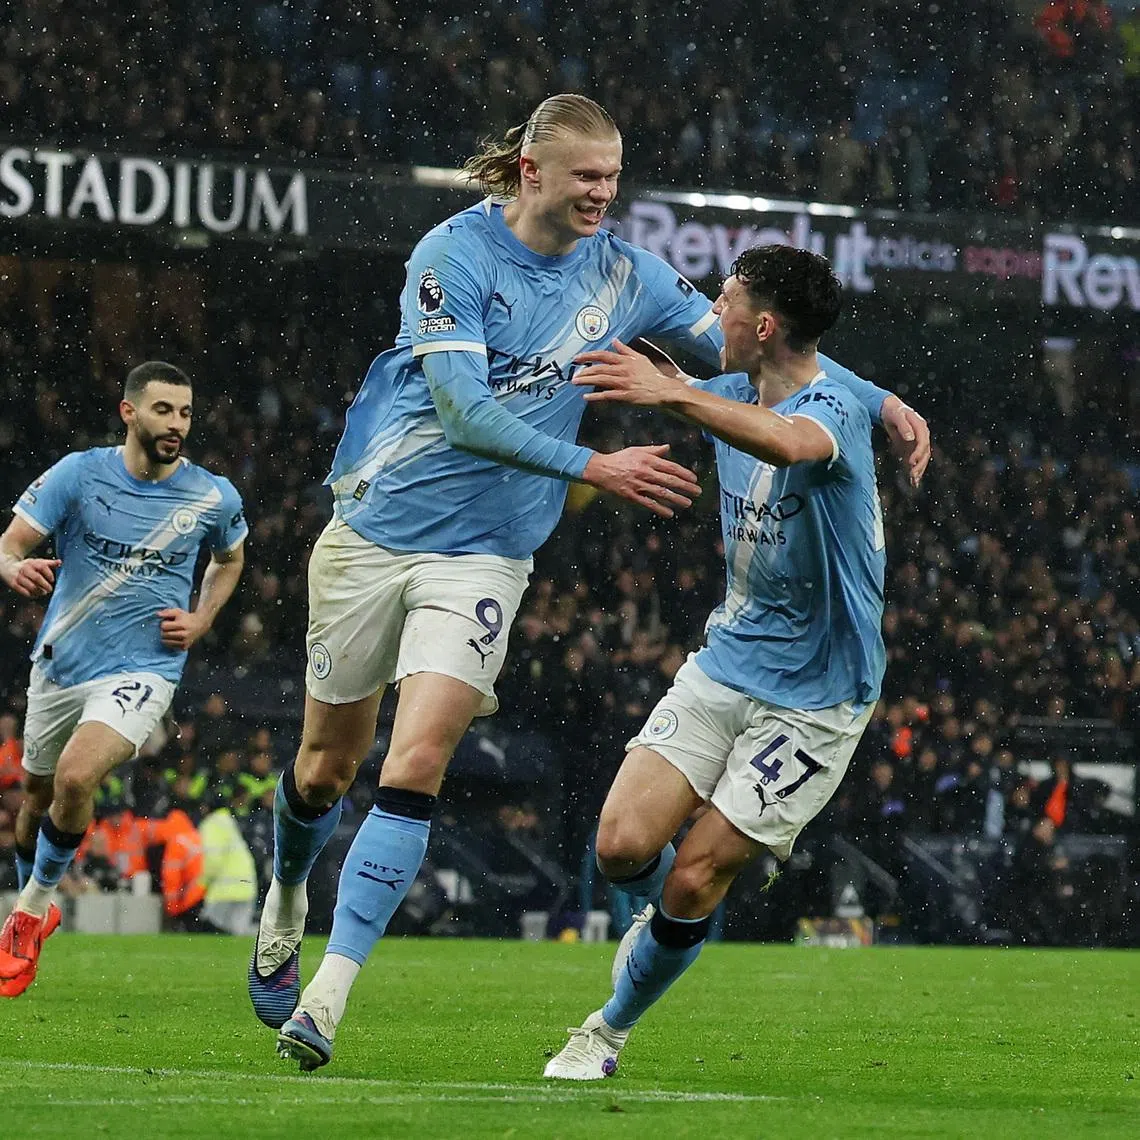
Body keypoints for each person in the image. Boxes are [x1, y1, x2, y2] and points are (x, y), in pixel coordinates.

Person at [256, 93, 928, 1072]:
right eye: (587, 179)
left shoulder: (628, 273)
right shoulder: (452, 257)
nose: (603, 196)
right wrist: (595, 469)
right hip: (376, 531)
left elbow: (771, 357)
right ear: (532, 172)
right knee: (323, 767)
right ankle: (285, 895)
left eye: (614, 179)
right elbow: (461, 414)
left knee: (417, 762)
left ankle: (325, 999)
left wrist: (875, 395)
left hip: (488, 553)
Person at [542, 245, 891, 1079]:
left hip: (818, 696)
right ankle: (666, 923)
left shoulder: (832, 407)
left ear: (762, 325)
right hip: (729, 662)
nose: (713, 313)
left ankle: (605, 1030)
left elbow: (790, 444)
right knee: (622, 848)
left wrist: (674, 393)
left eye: (725, 300)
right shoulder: (735, 383)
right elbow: (728, 390)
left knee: (698, 875)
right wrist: (676, 386)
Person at [0, 361, 247, 997]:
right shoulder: (80, 474)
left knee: (78, 778)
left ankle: (28, 910)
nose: (177, 424)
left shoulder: (212, 496)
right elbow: (11, 542)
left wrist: (201, 618)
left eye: (186, 412)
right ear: (129, 411)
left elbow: (231, 557)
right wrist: (11, 569)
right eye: (164, 410)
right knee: (37, 794)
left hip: (143, 669)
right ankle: (40, 896)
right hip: (61, 662)